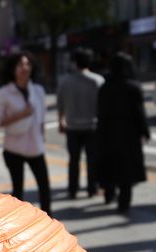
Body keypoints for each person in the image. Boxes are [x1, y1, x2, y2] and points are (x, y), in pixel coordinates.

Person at [0, 52, 51, 214]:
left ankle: (48, 220)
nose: (24, 68)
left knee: (44, 187)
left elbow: (42, 118)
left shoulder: (38, 90)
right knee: (18, 191)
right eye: (20, 64)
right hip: (14, 149)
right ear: (12, 69)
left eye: (27, 64)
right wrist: (20, 115)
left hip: (36, 147)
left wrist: (42, 138)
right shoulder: (4, 93)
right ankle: (20, 224)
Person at [96, 52, 150, 213]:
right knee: (127, 170)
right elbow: (139, 112)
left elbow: (99, 111)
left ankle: (109, 194)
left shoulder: (105, 87)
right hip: (128, 133)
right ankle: (124, 203)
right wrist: (145, 131)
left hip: (107, 131)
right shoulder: (132, 87)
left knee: (109, 166)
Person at [57, 48, 104, 199]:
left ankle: (72, 189)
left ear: (75, 62)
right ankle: (92, 188)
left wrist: (61, 121)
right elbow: (102, 107)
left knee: (73, 160)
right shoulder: (98, 81)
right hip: (92, 127)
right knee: (92, 160)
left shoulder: (65, 81)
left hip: (72, 127)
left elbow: (60, 105)